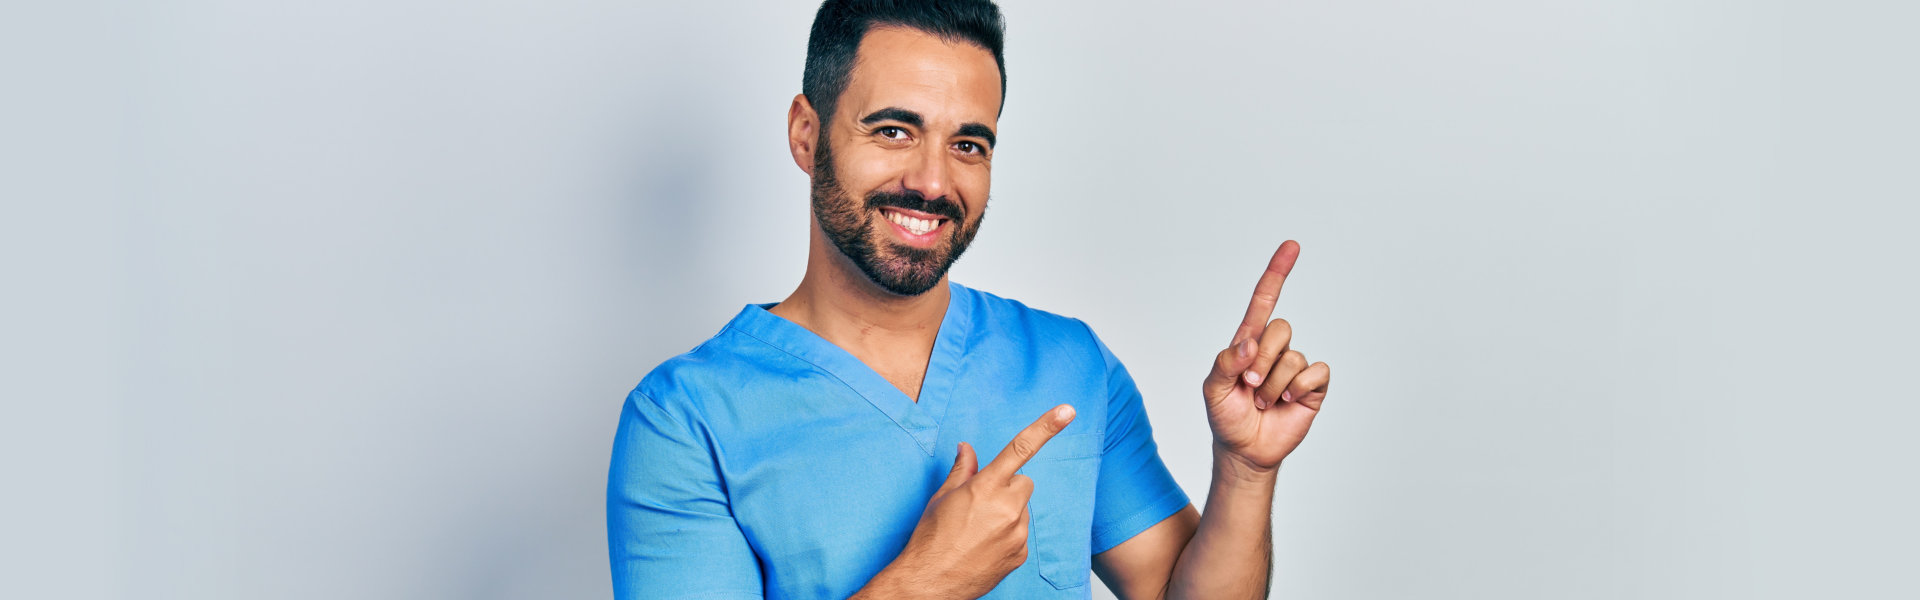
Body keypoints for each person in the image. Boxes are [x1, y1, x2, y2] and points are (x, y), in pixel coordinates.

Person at [606, 1, 1333, 598]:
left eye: (968, 145)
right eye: (893, 130)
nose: (931, 181)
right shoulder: (685, 420)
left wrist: (1246, 472)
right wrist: (925, 584)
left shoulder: (1069, 364)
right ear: (807, 132)